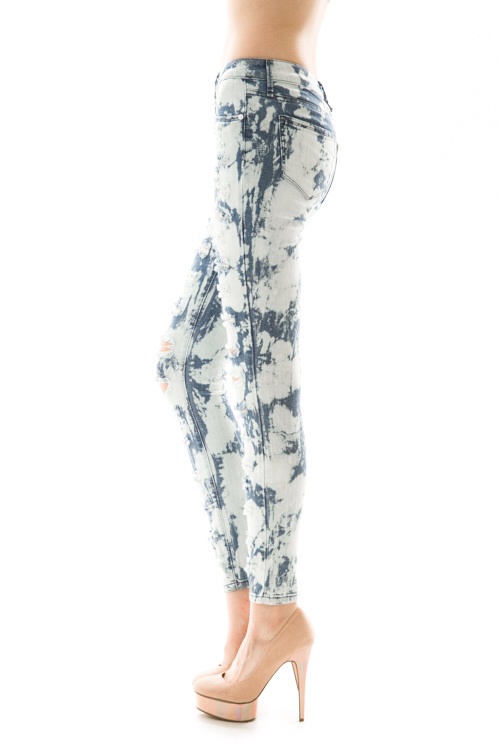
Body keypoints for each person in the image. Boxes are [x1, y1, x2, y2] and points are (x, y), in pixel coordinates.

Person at [156, 0, 337, 722]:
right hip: (264, 114)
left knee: (263, 386)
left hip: (264, 113)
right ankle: (247, 613)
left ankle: (276, 610)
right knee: (185, 363)